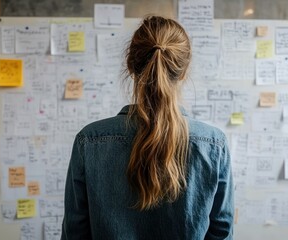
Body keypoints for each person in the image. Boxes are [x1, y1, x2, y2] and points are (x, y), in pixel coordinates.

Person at [62, 15, 234, 240]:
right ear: (183, 72)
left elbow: (75, 233)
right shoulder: (213, 144)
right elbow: (221, 233)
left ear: (131, 65)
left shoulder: (90, 141)